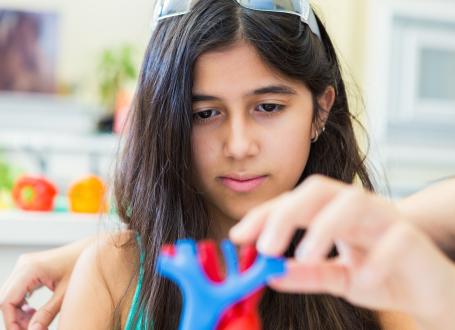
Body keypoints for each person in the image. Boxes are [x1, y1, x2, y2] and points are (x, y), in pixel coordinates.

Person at [1, 0, 455, 329]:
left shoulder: (371, 275)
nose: (238, 146)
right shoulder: (109, 274)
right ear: (169, 122)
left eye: (269, 107)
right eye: (205, 114)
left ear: (320, 111)